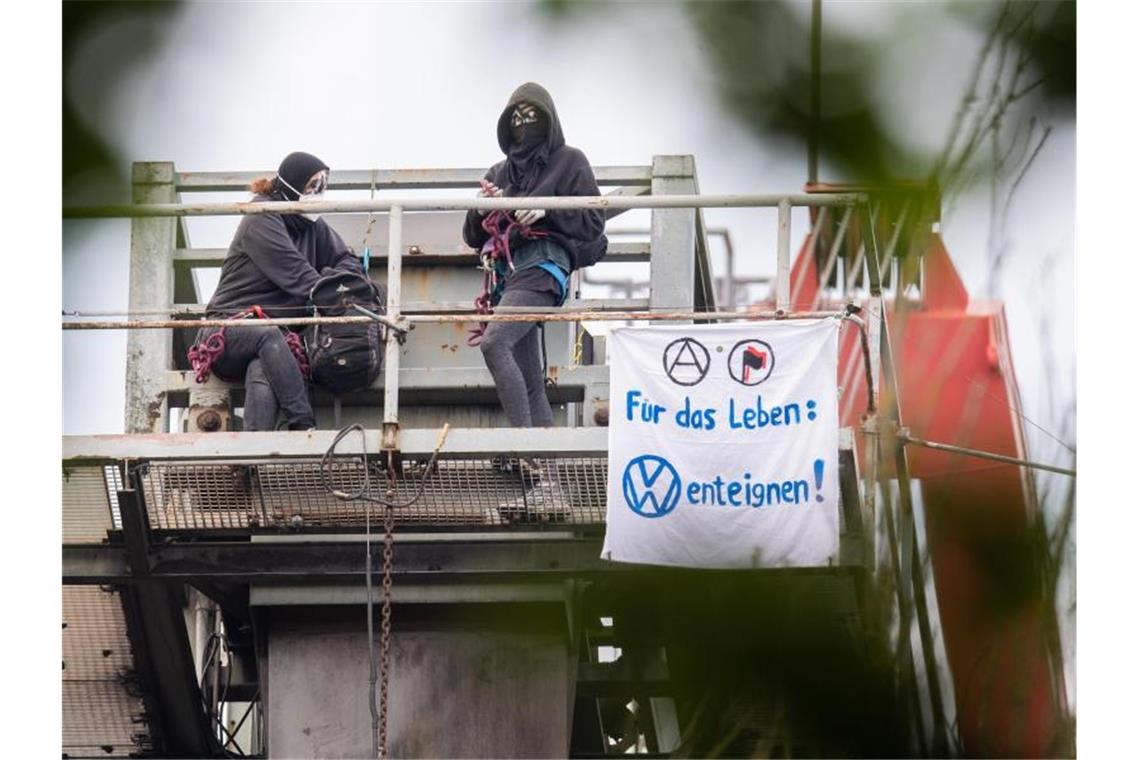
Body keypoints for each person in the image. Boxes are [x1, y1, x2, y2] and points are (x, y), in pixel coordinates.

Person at [462, 82, 607, 431]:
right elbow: (471, 236)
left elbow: (594, 222)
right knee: (529, 380)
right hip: (509, 277)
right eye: (516, 118)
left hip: (543, 269)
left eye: (531, 117)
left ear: (549, 119)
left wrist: (548, 211)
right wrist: (485, 209)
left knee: (495, 344)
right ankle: (546, 478)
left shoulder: (570, 160)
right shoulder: (501, 171)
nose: (523, 126)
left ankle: (524, 446)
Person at [190, 151, 363, 431]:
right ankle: (303, 423)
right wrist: (338, 295)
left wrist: (341, 278)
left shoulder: (312, 226)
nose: (319, 193)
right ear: (292, 187)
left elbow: (348, 261)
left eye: (323, 186)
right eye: (312, 186)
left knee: (263, 365)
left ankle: (251, 458)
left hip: (273, 343)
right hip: (227, 329)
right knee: (268, 333)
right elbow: (296, 273)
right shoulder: (261, 217)